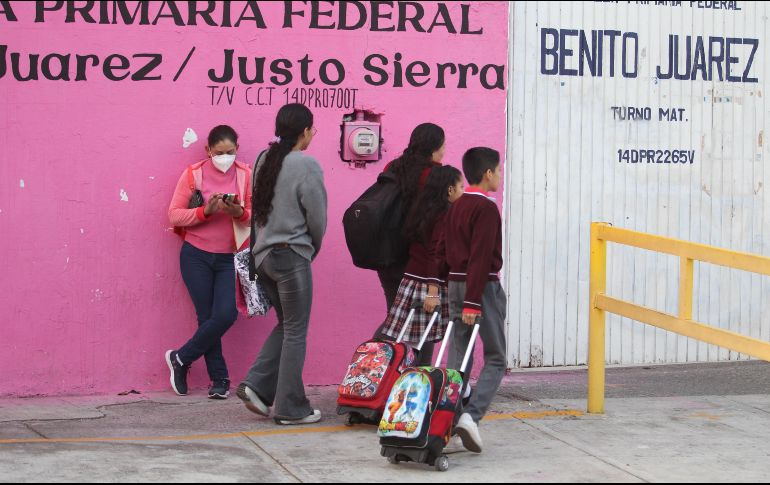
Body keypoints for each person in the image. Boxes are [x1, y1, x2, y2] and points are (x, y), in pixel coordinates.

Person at [236, 104, 328, 426]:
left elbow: (257, 210)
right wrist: (310, 251)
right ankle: (291, 407)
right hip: (291, 256)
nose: (313, 135)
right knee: (296, 330)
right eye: (312, 130)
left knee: (287, 325)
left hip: (263, 257)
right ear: (304, 131)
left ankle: (255, 386)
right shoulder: (306, 164)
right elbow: (317, 218)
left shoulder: (265, 158)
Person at [165, 125, 253, 399]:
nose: (225, 157)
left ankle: (180, 358)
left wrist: (238, 212)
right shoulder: (194, 174)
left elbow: (257, 216)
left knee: (225, 315)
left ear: (237, 148)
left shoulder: (246, 174)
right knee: (206, 317)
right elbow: (175, 215)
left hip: (229, 258)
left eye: (230, 152)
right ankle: (220, 379)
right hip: (196, 256)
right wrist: (206, 211)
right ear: (208, 150)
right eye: (219, 152)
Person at [441, 147, 505, 454]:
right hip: (481, 288)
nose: (500, 176)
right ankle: (471, 416)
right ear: (488, 173)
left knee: (458, 360)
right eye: (499, 170)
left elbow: (444, 249)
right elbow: (480, 256)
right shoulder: (486, 208)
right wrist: (473, 301)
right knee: (496, 357)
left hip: (455, 283)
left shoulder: (457, 205)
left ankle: (446, 423)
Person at [379, 166, 464, 366]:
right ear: (450, 190)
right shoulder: (445, 216)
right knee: (418, 340)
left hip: (413, 280)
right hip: (427, 284)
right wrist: (433, 292)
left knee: (413, 337)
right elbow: (435, 253)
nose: (463, 191)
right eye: (461, 186)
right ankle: (413, 376)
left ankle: (402, 373)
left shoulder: (423, 210)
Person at [375, 123, 446, 337]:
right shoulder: (436, 176)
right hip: (418, 260)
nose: (444, 151)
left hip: (387, 253)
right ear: (434, 147)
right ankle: (376, 354)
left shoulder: (393, 167)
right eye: (443, 146)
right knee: (422, 327)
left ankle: (379, 356)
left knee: (395, 319)